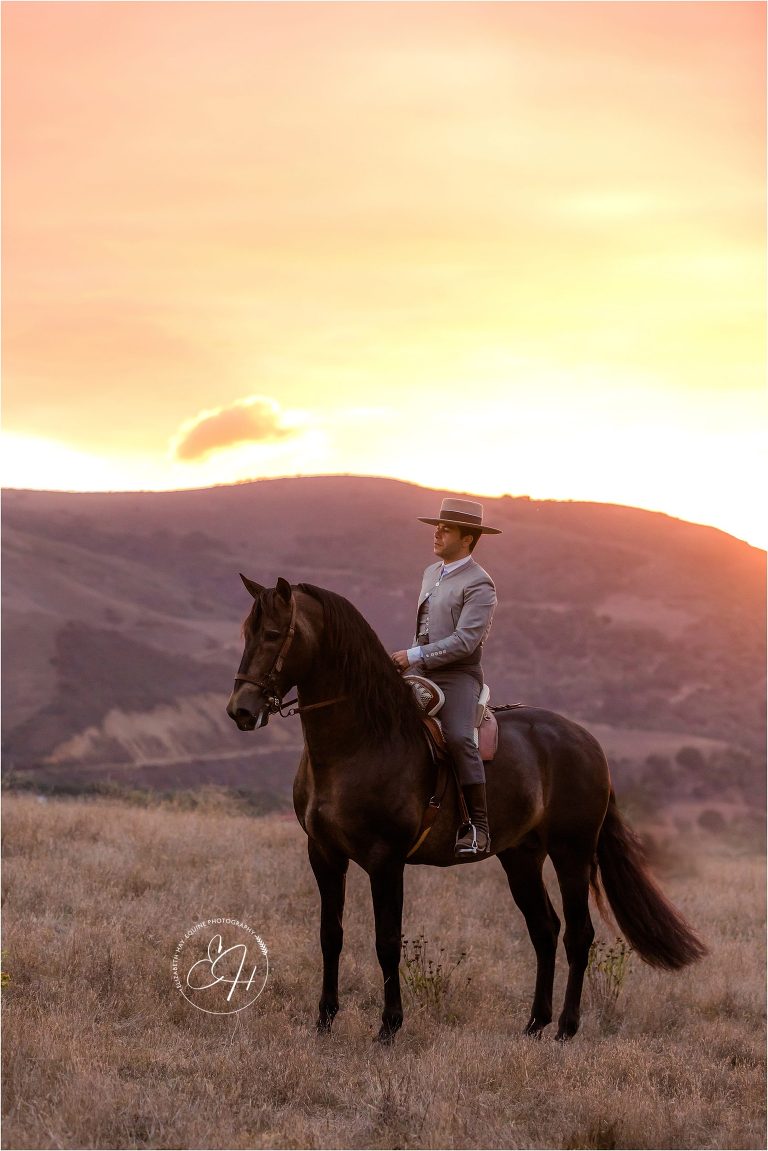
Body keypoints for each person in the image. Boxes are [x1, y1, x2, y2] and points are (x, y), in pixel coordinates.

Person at [392, 497, 500, 858]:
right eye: (437, 527)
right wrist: (408, 660)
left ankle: (477, 828)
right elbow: (424, 630)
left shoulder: (480, 584)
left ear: (467, 539)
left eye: (446, 528)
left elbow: (465, 641)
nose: (436, 533)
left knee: (456, 736)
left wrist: (413, 655)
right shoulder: (430, 573)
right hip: (420, 670)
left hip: (458, 676)